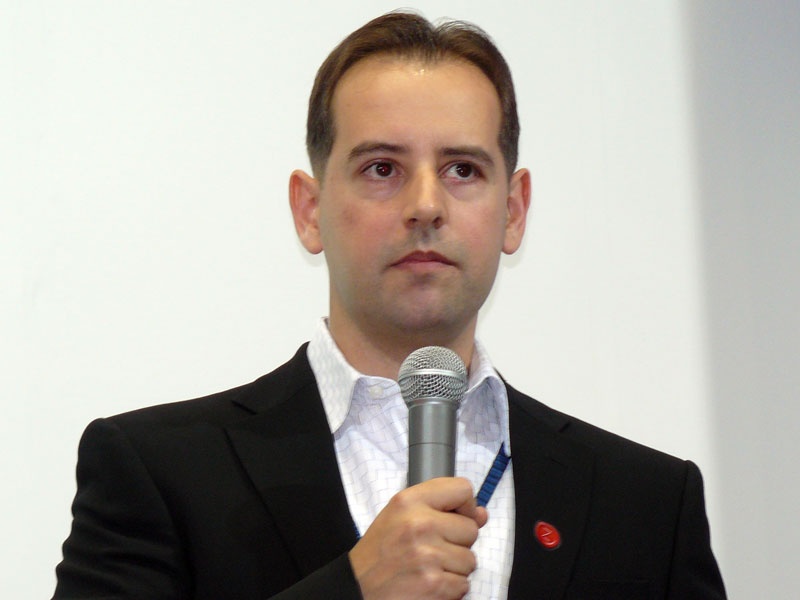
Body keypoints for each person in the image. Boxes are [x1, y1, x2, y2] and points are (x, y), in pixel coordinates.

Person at [52, 12, 726, 600]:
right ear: (309, 211)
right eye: (382, 168)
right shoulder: (158, 470)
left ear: (514, 211)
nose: (426, 205)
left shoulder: (646, 503)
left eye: (462, 169)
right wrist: (353, 590)